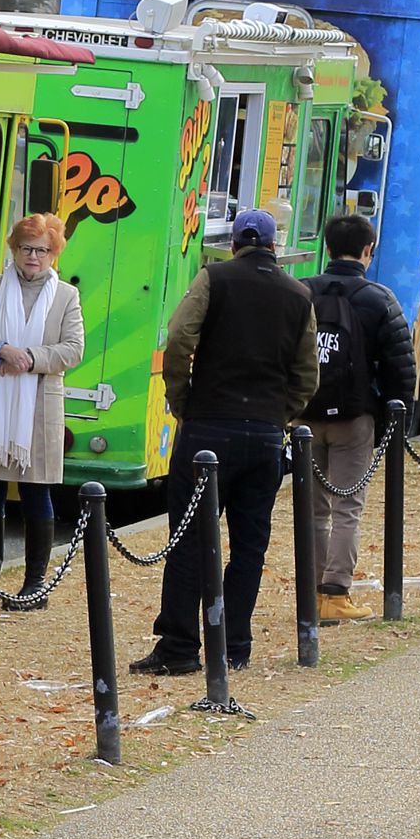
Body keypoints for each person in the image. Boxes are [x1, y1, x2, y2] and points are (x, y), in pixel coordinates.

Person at [134, 208, 316, 680]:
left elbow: (179, 339)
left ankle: (178, 647)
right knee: (250, 543)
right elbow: (307, 374)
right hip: (263, 435)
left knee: (188, 539)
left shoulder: (213, 278)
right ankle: (234, 643)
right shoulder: (299, 295)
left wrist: (182, 398)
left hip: (208, 427)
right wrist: (281, 413)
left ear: (235, 243)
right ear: (275, 247)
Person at [0, 212, 85, 599]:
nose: (34, 257)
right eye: (27, 248)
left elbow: (73, 349)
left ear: (54, 254)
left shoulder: (66, 296)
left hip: (39, 405)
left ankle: (35, 583)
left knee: (36, 493)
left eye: (42, 250)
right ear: (13, 249)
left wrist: (30, 356)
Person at [300, 210, 415, 625]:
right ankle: (335, 593)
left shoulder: (301, 292)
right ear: (369, 250)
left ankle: (311, 593)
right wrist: (396, 420)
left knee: (312, 509)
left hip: (304, 418)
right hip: (355, 417)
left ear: (327, 247)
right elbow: (401, 368)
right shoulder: (379, 299)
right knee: (347, 506)